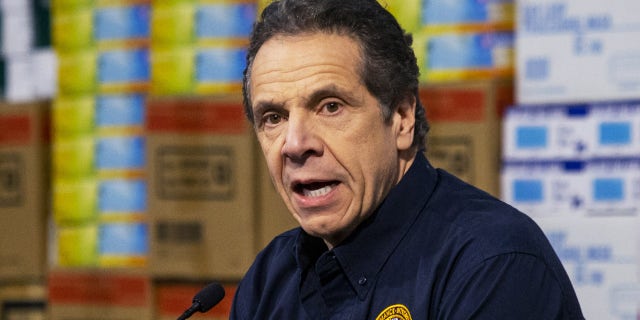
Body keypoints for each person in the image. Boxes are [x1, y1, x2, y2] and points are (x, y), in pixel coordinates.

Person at [230, 0, 584, 319]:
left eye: (330, 107)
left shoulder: (493, 264)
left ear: (402, 117)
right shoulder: (270, 279)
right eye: (274, 117)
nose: (294, 144)